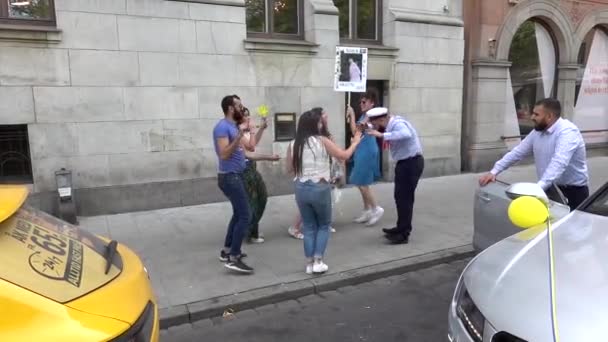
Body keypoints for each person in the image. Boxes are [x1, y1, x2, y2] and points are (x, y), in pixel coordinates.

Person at [287, 108, 362, 274]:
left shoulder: (294, 143)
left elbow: (289, 169)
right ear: (315, 125)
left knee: (308, 226)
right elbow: (343, 156)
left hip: (300, 187)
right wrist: (355, 142)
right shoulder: (322, 140)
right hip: (319, 187)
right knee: (323, 225)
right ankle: (318, 261)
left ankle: (308, 263)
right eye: (319, 122)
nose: (322, 124)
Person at [479, 98, 589, 210]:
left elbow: (559, 162)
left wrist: (539, 188)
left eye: (536, 114)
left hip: (572, 192)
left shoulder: (568, 132)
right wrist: (494, 171)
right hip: (549, 188)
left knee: (570, 227)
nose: (532, 117)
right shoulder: (537, 132)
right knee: (548, 225)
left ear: (549, 116)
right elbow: (518, 152)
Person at [366, 107, 424, 245]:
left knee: (405, 199)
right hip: (404, 163)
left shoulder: (397, 124)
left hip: (411, 163)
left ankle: (404, 234)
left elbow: (406, 134)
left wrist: (382, 135)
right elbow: (369, 126)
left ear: (381, 119)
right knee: (400, 197)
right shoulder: (389, 124)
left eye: (375, 123)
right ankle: (400, 227)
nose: (374, 127)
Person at [213, 95, 253, 274]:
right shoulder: (222, 127)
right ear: (230, 108)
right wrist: (238, 135)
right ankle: (233, 257)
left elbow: (250, 148)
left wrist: (252, 130)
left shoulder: (234, 126)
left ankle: (227, 250)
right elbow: (224, 154)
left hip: (236, 175)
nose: (242, 107)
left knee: (238, 214)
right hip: (229, 177)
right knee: (245, 215)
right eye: (238, 105)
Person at [239, 106, 279, 244]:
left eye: (249, 115)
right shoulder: (236, 132)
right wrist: (269, 157)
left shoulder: (245, 131)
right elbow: (249, 152)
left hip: (251, 167)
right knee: (253, 201)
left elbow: (253, 144)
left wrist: (260, 128)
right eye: (245, 116)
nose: (248, 118)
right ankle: (249, 233)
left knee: (260, 198)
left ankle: (249, 231)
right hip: (244, 169)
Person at [346, 90, 384, 226]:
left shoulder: (372, 116)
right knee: (360, 182)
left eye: (364, 101)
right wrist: (352, 115)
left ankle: (376, 208)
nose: (361, 104)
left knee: (362, 183)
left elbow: (357, 131)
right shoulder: (365, 115)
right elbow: (355, 132)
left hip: (367, 151)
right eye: (360, 101)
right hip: (362, 150)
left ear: (372, 103)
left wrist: (352, 114)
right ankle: (367, 210)